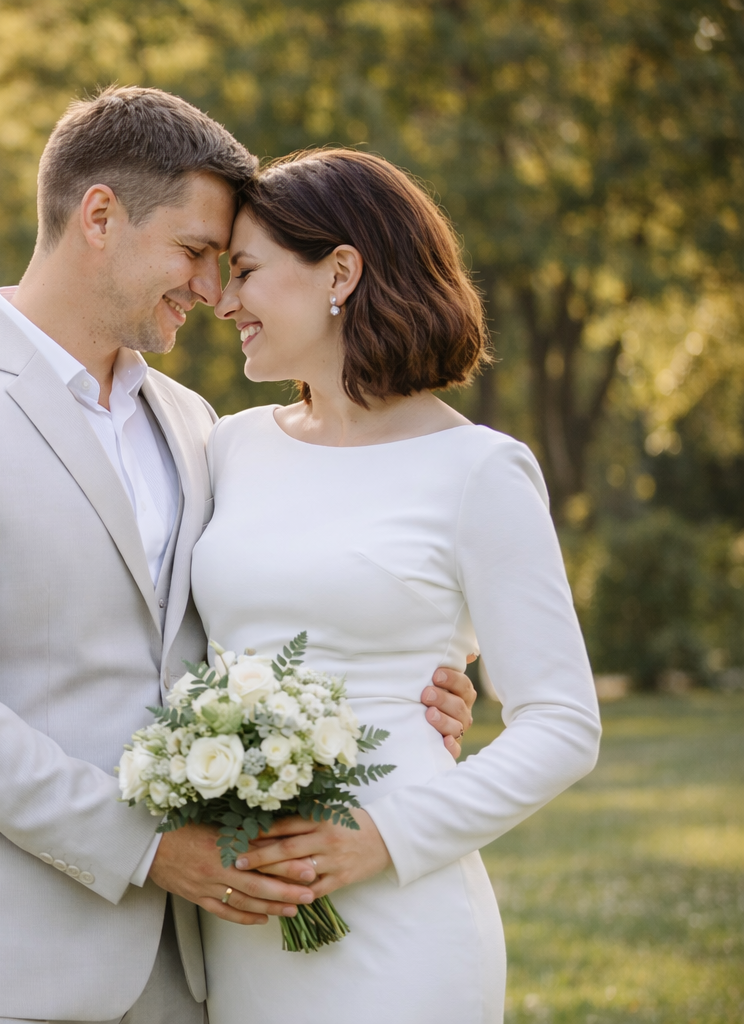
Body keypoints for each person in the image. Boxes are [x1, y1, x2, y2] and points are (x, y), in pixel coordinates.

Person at [0, 89, 479, 1024]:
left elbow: (249, 621)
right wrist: (145, 847)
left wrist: (406, 693)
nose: (213, 291)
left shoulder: (195, 423)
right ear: (100, 216)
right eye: (194, 252)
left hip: (188, 959)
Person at [193, 148, 602, 1023]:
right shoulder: (228, 446)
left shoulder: (479, 470)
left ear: (340, 272)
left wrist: (381, 838)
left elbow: (564, 724)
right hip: (243, 913)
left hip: (400, 913)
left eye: (246, 272)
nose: (223, 302)